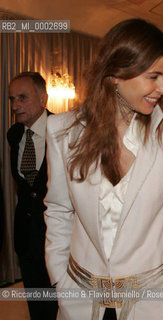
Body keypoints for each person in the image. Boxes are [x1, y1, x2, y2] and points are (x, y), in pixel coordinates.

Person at [44, 19, 163, 320]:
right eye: (153, 76)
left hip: (154, 305)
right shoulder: (61, 130)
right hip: (81, 301)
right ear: (116, 74)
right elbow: (58, 210)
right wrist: (60, 281)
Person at [7, 72, 58, 319]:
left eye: (22, 98)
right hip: (26, 238)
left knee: (62, 306)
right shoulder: (14, 135)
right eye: (12, 99)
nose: (15, 105)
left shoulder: (64, 132)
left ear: (43, 98)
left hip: (58, 239)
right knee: (37, 306)